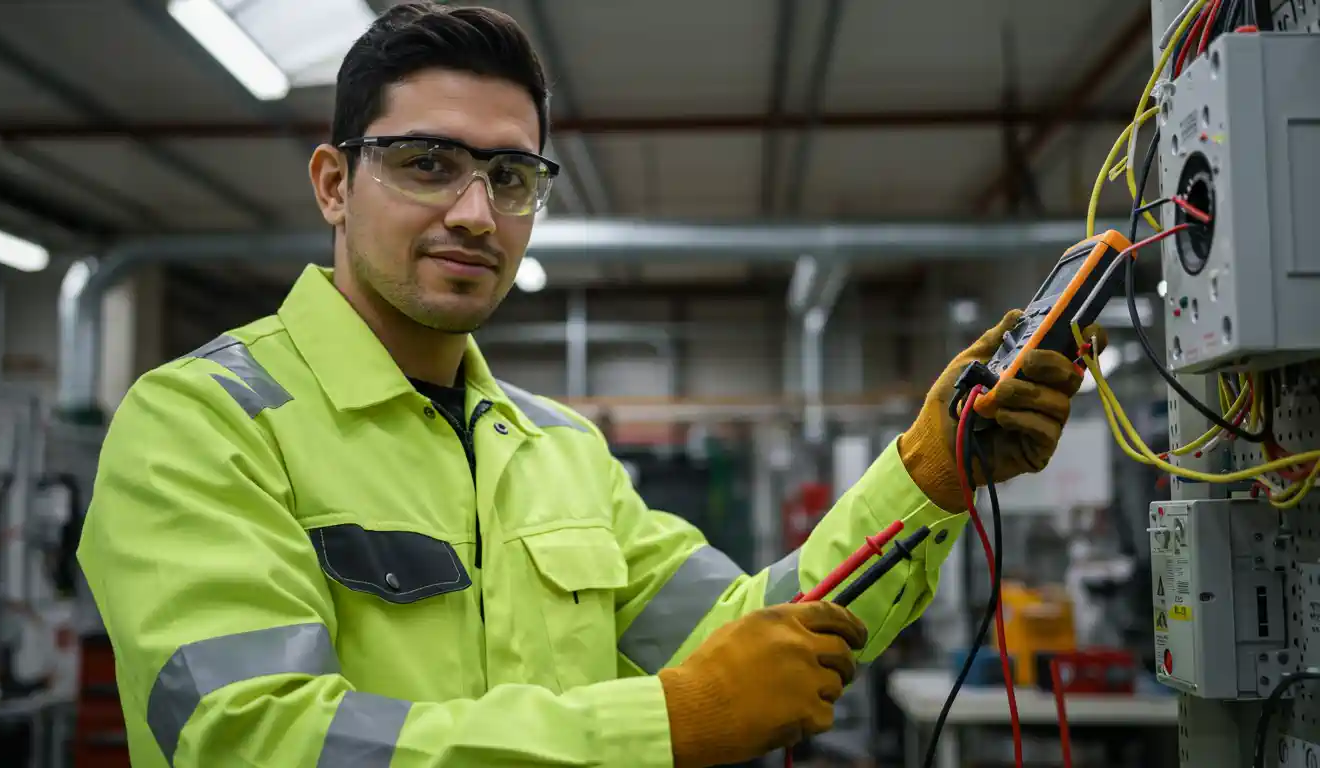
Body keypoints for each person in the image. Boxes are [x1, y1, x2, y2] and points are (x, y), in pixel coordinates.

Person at [76, 3, 1101, 767]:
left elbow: (754, 636)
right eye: (428, 163)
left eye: (512, 177)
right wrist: (662, 724)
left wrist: (926, 481)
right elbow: (251, 740)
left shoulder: (557, 449)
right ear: (335, 184)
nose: (477, 213)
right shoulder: (203, 423)